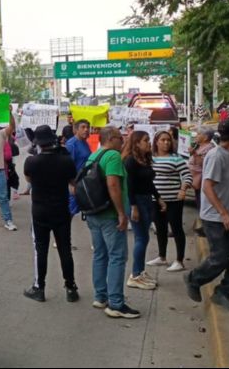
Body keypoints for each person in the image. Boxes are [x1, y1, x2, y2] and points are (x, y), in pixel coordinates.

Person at [184, 118, 229, 312]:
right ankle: (193, 279)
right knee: (220, 258)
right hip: (216, 218)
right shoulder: (216, 155)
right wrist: (224, 214)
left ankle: (223, 292)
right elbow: (207, 186)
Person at [86, 126, 140, 319]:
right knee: (117, 256)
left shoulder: (95, 155)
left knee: (100, 254)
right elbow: (113, 184)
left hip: (94, 214)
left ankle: (100, 296)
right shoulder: (113, 157)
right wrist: (121, 213)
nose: (122, 140)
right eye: (120, 137)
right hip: (110, 215)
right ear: (111, 138)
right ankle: (116, 303)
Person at [23, 125, 79, 303]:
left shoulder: (31, 162)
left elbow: (29, 179)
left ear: (38, 143)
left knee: (41, 249)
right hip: (61, 209)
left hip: (40, 210)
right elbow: (73, 182)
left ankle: (39, 287)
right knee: (65, 249)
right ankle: (71, 288)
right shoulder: (66, 161)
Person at [122, 131, 165, 291]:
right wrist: (133, 206)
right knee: (141, 238)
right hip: (137, 201)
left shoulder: (144, 159)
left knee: (145, 237)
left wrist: (158, 197)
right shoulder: (130, 161)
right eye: (145, 140)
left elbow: (149, 182)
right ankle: (135, 275)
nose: (149, 143)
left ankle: (140, 270)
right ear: (137, 143)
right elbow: (130, 187)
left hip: (147, 199)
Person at [148, 131, 192, 272]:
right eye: (163, 140)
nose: (166, 143)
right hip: (156, 200)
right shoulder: (150, 159)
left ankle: (179, 260)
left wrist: (183, 189)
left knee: (176, 228)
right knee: (160, 229)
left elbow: (187, 176)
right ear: (156, 142)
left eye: (168, 140)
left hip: (173, 200)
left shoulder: (176, 159)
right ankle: (162, 257)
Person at [65, 120, 92, 214]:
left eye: (88, 127)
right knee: (69, 212)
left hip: (83, 182)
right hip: (75, 183)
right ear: (76, 130)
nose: (86, 130)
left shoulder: (85, 142)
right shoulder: (71, 145)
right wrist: (71, 184)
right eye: (83, 127)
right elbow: (67, 166)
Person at [188, 128, 216, 211]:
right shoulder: (199, 146)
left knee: (201, 202)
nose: (196, 136)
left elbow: (204, 163)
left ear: (206, 137)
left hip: (202, 181)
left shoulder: (209, 148)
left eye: (199, 134)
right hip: (197, 180)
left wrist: (194, 154)